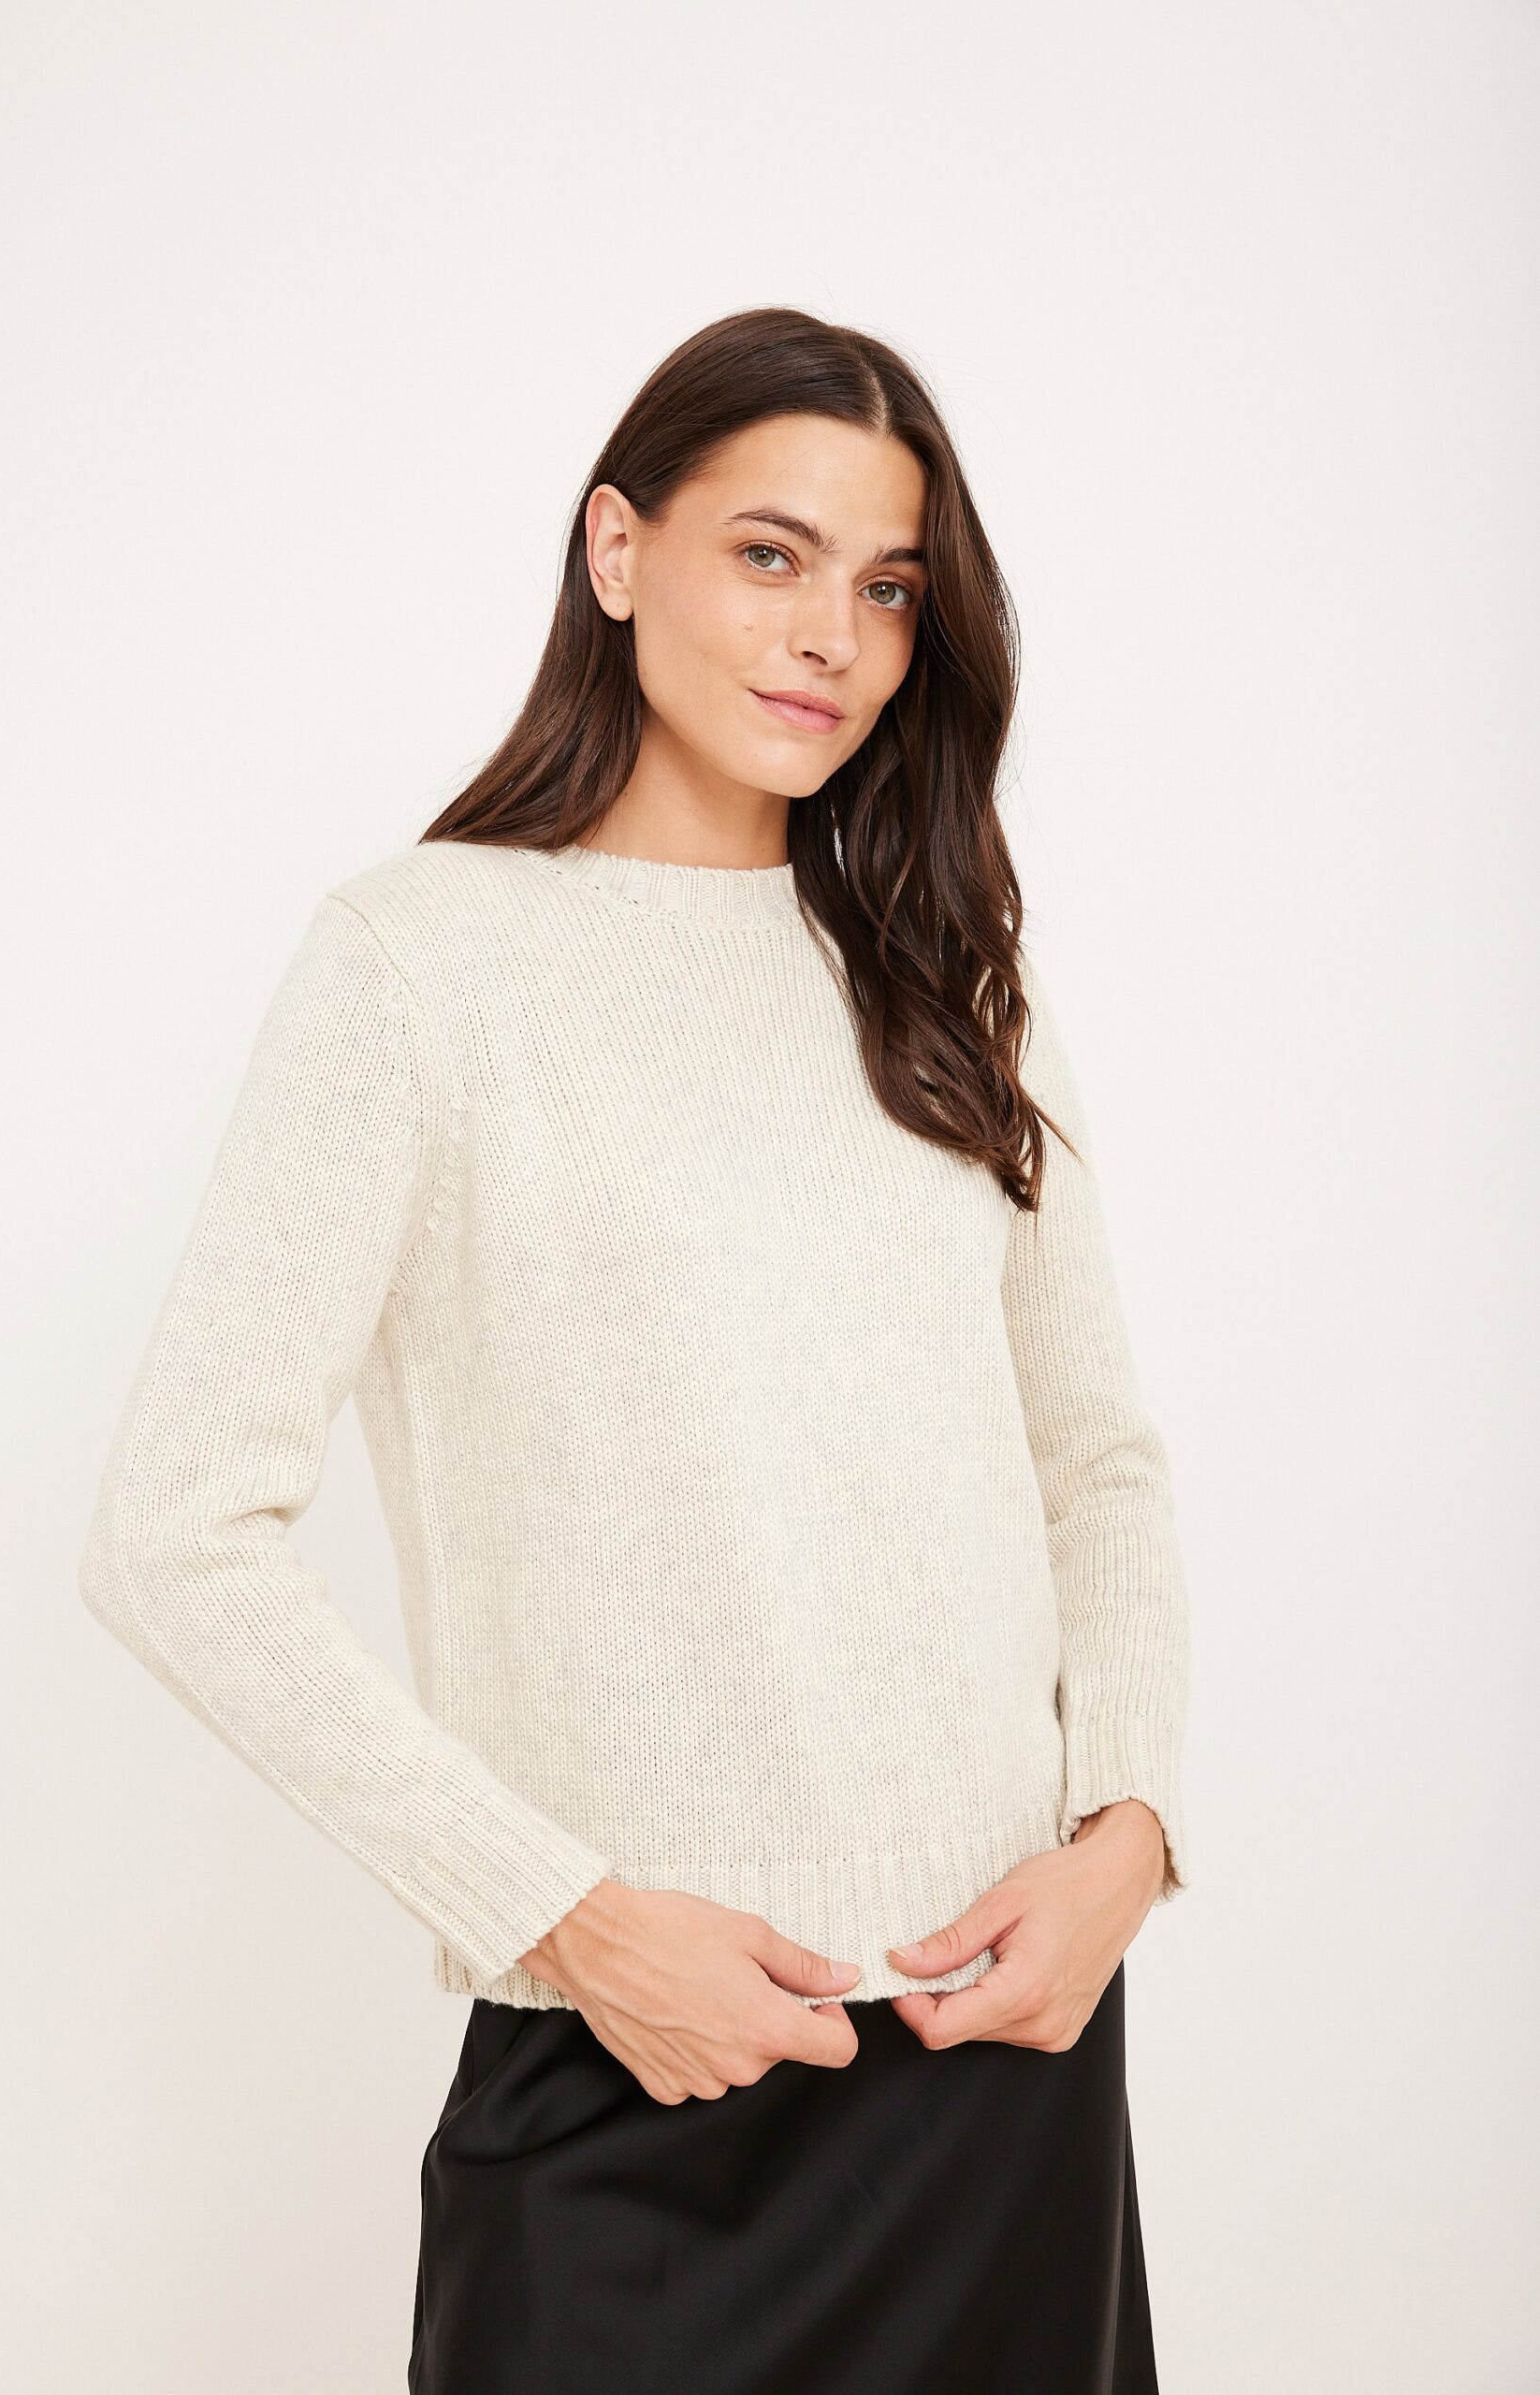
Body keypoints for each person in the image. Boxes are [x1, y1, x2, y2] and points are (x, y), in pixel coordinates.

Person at [79, 304, 1191, 2393]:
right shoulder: (419, 963)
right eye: (770, 554)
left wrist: (1124, 1836)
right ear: (616, 548)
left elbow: (1095, 1460)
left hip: (1003, 2060)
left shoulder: (948, 982)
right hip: (631, 2073)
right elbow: (172, 1534)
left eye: (888, 588)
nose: (832, 637)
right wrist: (565, 1914)